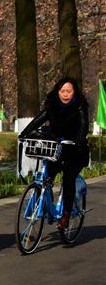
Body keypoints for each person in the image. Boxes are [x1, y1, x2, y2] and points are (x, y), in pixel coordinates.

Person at [18, 76, 90, 229]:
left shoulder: (80, 106)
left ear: (74, 92)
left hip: (74, 149)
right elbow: (40, 118)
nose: (65, 94)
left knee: (68, 178)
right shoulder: (52, 105)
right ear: (58, 91)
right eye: (62, 91)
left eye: (68, 91)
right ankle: (45, 204)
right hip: (56, 148)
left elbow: (84, 125)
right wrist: (24, 132)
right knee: (47, 176)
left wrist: (78, 139)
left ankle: (66, 214)